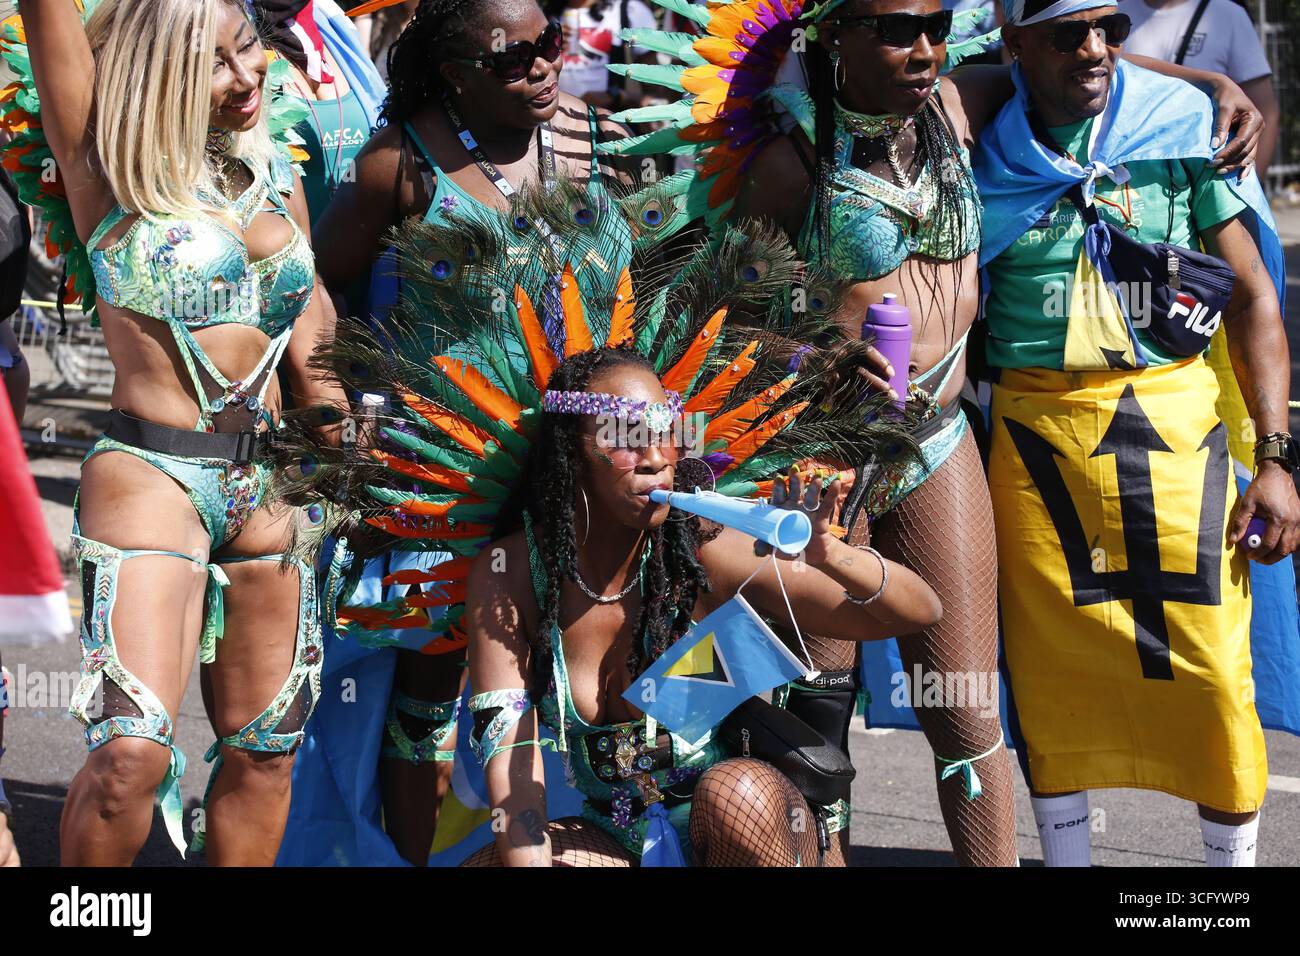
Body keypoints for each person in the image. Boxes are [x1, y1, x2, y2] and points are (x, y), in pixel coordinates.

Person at [598, 0, 1262, 868]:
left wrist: (1210, 82)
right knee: (812, 704)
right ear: (834, 32)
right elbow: (723, 312)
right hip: (823, 456)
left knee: (964, 703)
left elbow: (1064, 64)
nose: (924, 48)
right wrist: (814, 349)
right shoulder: (795, 157)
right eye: (896, 27)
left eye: (938, 24)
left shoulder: (954, 104)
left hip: (936, 436)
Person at [273, 176, 945, 865]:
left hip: (752, 828)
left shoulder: (704, 551)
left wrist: (834, 556)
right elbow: (514, 779)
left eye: (668, 429)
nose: (656, 456)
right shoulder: (513, 576)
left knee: (730, 791)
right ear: (573, 457)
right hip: (622, 833)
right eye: (626, 434)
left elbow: (915, 611)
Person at [1, 0, 344, 865]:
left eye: (250, 48)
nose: (247, 76)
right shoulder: (103, 160)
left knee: (266, 754)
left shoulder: (276, 170)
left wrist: (351, 438)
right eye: (216, 64)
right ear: (162, 76)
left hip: (272, 494)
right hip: (151, 479)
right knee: (131, 756)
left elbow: (313, 335)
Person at [302, 0, 641, 866]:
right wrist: (354, 407)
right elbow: (319, 288)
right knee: (426, 698)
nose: (539, 66)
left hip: (583, 466)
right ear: (452, 73)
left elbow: (644, 283)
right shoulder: (401, 162)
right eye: (511, 56)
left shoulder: (593, 142)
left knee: (575, 685)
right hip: (445, 475)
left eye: (550, 44)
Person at [977, 0, 1296, 866]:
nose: (1094, 49)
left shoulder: (1182, 126)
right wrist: (1208, 73)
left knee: (1209, 666)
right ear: (1012, 45)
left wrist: (1276, 458)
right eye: (1066, 32)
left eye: (1108, 30)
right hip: (1035, 441)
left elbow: (1258, 296)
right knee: (1051, 673)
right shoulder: (977, 136)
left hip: (1177, 428)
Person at [1120, 0, 1279, 182]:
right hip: (1132, 184)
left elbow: (1265, 113)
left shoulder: (1228, 14)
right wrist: (1215, 81)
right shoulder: (1110, 13)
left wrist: (1249, 194)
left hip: (1209, 180)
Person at [550, 0, 657, 109]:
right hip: (554, 121)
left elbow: (656, 88)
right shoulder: (545, 14)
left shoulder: (631, 10)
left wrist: (616, 96)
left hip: (610, 120)